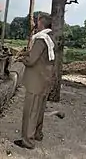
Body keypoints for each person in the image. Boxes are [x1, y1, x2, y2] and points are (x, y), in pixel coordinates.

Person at [14, 14, 55, 149]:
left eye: (37, 22)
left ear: (41, 24)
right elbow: (39, 56)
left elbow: (32, 61)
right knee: (39, 110)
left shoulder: (40, 39)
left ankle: (28, 141)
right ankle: (37, 134)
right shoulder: (50, 38)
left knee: (31, 110)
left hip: (36, 81)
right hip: (45, 80)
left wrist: (21, 59)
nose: (36, 25)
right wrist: (25, 53)